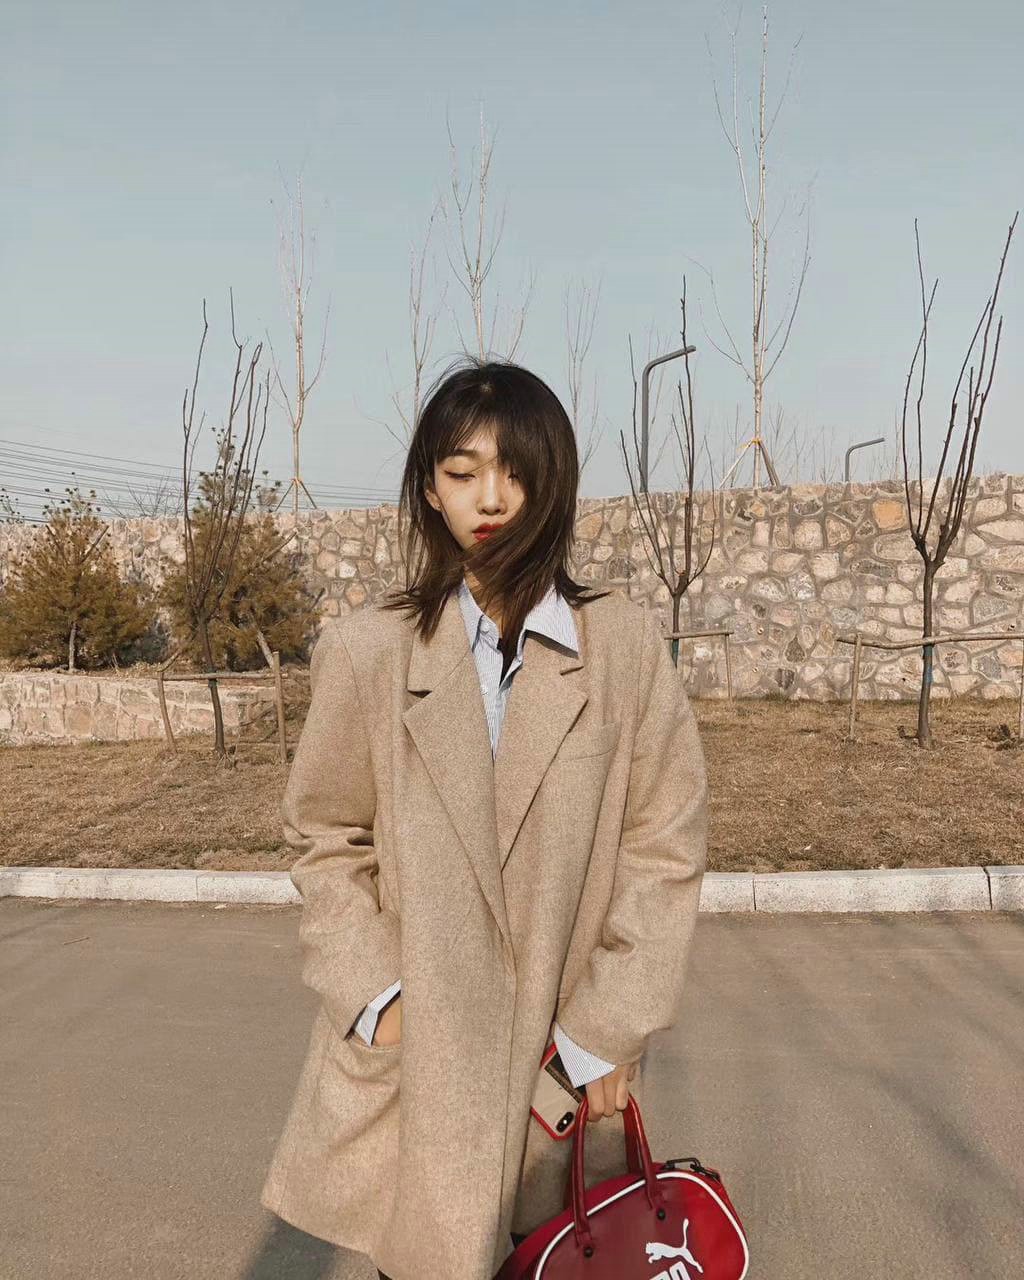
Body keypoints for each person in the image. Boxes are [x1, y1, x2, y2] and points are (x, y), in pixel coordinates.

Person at [260, 357, 709, 1280]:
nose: (491, 498)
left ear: (555, 480)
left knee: (563, 1259)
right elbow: (324, 837)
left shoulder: (620, 647)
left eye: (515, 471)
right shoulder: (370, 652)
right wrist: (378, 1000)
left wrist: (604, 1033)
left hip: (566, 1073)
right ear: (430, 488)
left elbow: (664, 844)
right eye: (462, 472)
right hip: (420, 1080)